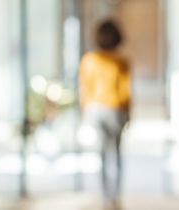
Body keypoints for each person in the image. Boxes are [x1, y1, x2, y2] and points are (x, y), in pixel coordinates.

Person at [79, 19, 130, 198]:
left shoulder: (89, 60)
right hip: (115, 109)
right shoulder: (121, 61)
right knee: (115, 152)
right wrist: (128, 114)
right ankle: (114, 196)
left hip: (96, 109)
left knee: (101, 153)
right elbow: (125, 90)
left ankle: (105, 196)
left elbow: (85, 88)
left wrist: (85, 111)